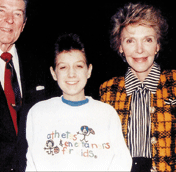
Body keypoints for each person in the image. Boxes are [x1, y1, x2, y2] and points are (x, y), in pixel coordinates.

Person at [25, 33, 132, 171]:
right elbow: (32, 165)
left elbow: (121, 162)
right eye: (63, 67)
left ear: (89, 70)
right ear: (53, 73)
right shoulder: (38, 112)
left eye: (79, 66)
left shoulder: (106, 113)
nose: (71, 74)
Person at [99, 2, 176, 172]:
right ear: (120, 46)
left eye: (148, 40)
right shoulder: (107, 91)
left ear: (158, 45)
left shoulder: (174, 83)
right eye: (130, 41)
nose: (139, 49)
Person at [0, 0, 47, 172]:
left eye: (17, 14)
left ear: (23, 24)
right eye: (2, 11)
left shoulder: (40, 66)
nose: (10, 20)